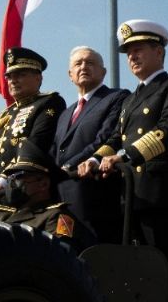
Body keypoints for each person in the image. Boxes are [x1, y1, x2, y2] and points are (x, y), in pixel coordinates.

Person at [79, 19, 168, 302]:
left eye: (138, 49)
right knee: (138, 279)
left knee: (167, 275)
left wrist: (126, 156)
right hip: (132, 201)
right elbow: (114, 139)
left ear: (159, 51)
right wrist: (95, 159)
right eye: (128, 52)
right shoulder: (129, 100)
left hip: (162, 199)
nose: (132, 57)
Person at [52, 46, 129, 244]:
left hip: (95, 196)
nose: (84, 66)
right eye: (78, 63)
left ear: (103, 72)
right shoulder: (65, 114)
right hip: (63, 199)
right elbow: (55, 150)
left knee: (96, 258)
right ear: (70, 75)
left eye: (90, 63)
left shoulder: (117, 97)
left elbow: (104, 138)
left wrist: (67, 167)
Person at [0, 47, 66, 201]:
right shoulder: (5, 116)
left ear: (38, 78)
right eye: (10, 76)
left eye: (21, 75)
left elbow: (37, 143)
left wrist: (3, 180)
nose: (13, 80)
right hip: (3, 196)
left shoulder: (50, 102)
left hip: (33, 194)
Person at [0, 139, 95, 252]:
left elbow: (59, 256)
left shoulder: (56, 217)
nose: (12, 184)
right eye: (11, 178)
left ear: (43, 184)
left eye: (19, 177)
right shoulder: (1, 215)